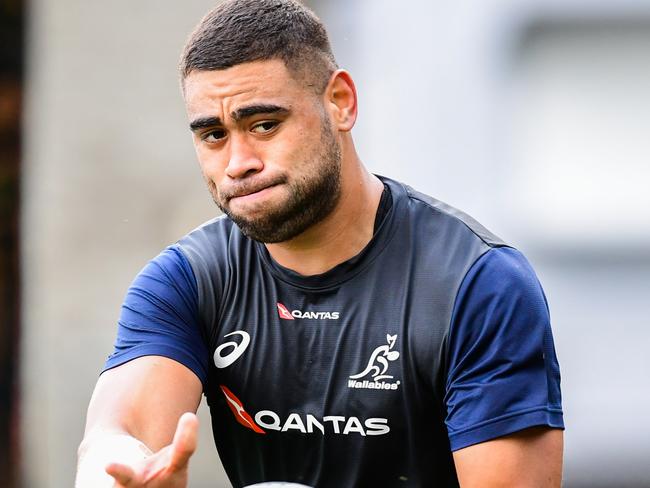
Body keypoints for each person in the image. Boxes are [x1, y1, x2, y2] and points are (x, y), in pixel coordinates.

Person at [76, 0, 564, 486]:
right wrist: (121, 475)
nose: (238, 162)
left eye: (264, 125)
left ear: (341, 103)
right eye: (213, 135)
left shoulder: (476, 283)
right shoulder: (187, 280)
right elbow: (119, 438)